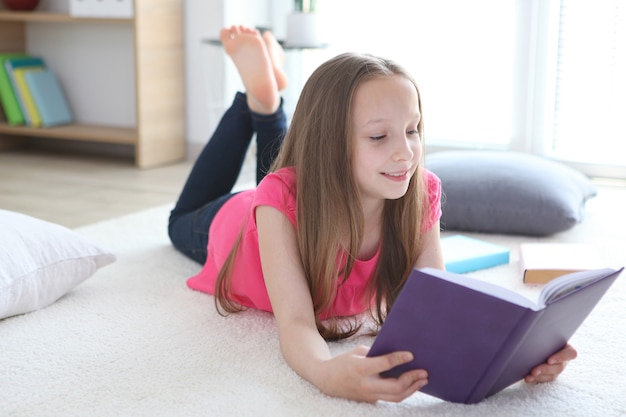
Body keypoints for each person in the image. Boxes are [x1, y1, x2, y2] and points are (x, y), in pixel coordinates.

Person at [168, 25, 577, 404]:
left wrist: (517, 356)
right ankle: (256, 102)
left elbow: (441, 307)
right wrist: (326, 371)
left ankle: (267, 100)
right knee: (183, 217)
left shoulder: (420, 193)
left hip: (298, 195)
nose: (405, 152)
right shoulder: (279, 198)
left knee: (280, 179)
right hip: (232, 224)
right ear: (330, 146)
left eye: (412, 130)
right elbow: (295, 323)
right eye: (379, 136)